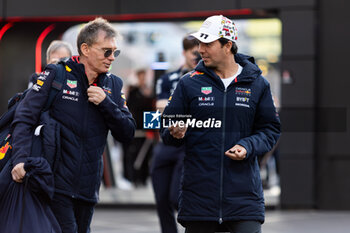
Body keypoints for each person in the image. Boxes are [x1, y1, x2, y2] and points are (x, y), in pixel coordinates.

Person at [11, 17, 136, 232]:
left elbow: (127, 132)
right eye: (106, 51)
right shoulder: (57, 74)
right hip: (53, 185)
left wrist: (106, 104)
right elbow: (24, 117)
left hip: (88, 191)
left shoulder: (113, 84)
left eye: (115, 52)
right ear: (85, 49)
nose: (112, 57)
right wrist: (20, 159)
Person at [161, 15, 281, 233]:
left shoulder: (258, 84)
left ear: (228, 46)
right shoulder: (188, 83)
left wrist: (247, 145)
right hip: (199, 198)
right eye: (199, 43)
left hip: (244, 198)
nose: (200, 49)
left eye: (208, 43)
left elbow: (270, 130)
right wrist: (175, 132)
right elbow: (166, 130)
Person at [151, 35, 199, 233]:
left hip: (189, 144)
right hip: (166, 142)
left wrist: (173, 108)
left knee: (175, 197)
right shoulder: (168, 78)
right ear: (184, 53)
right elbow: (159, 108)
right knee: (161, 199)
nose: (198, 57)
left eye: (201, 52)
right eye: (194, 53)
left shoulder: (206, 78)